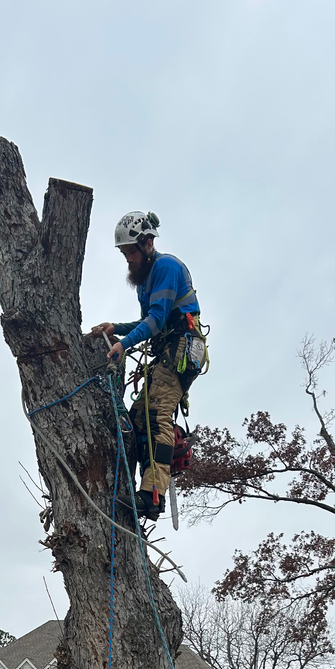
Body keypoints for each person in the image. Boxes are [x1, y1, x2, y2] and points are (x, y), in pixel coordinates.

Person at [91, 211, 206, 520]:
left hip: (181, 349)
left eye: (130, 251)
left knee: (155, 414)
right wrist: (115, 328)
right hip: (169, 351)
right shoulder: (146, 282)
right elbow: (147, 321)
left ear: (147, 242)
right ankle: (145, 486)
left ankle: (152, 495)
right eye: (124, 253)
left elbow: (156, 321)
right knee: (138, 418)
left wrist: (123, 343)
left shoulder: (166, 267)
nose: (127, 259)